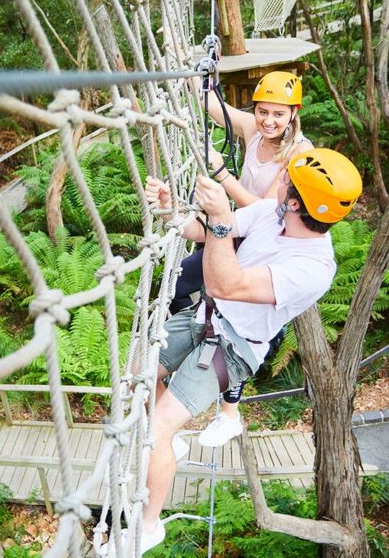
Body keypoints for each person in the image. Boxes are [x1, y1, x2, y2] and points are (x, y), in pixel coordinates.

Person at [107, 147, 362, 555]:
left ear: (295, 201)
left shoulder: (314, 268)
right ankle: (167, 442)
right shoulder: (268, 213)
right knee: (133, 373)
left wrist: (223, 220)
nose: (278, 180)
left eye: (286, 180)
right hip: (204, 315)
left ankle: (148, 525)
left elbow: (228, 283)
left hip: (235, 346)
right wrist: (171, 210)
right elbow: (202, 232)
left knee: (153, 433)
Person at [174, 71, 315, 449]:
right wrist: (190, 75)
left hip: (262, 239)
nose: (269, 121)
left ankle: (229, 413)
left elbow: (266, 209)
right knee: (179, 286)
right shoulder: (254, 129)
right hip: (235, 228)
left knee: (241, 326)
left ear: (294, 114)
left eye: (278, 115)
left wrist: (220, 173)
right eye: (263, 112)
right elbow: (214, 108)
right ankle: (190, 365)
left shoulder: (299, 154)